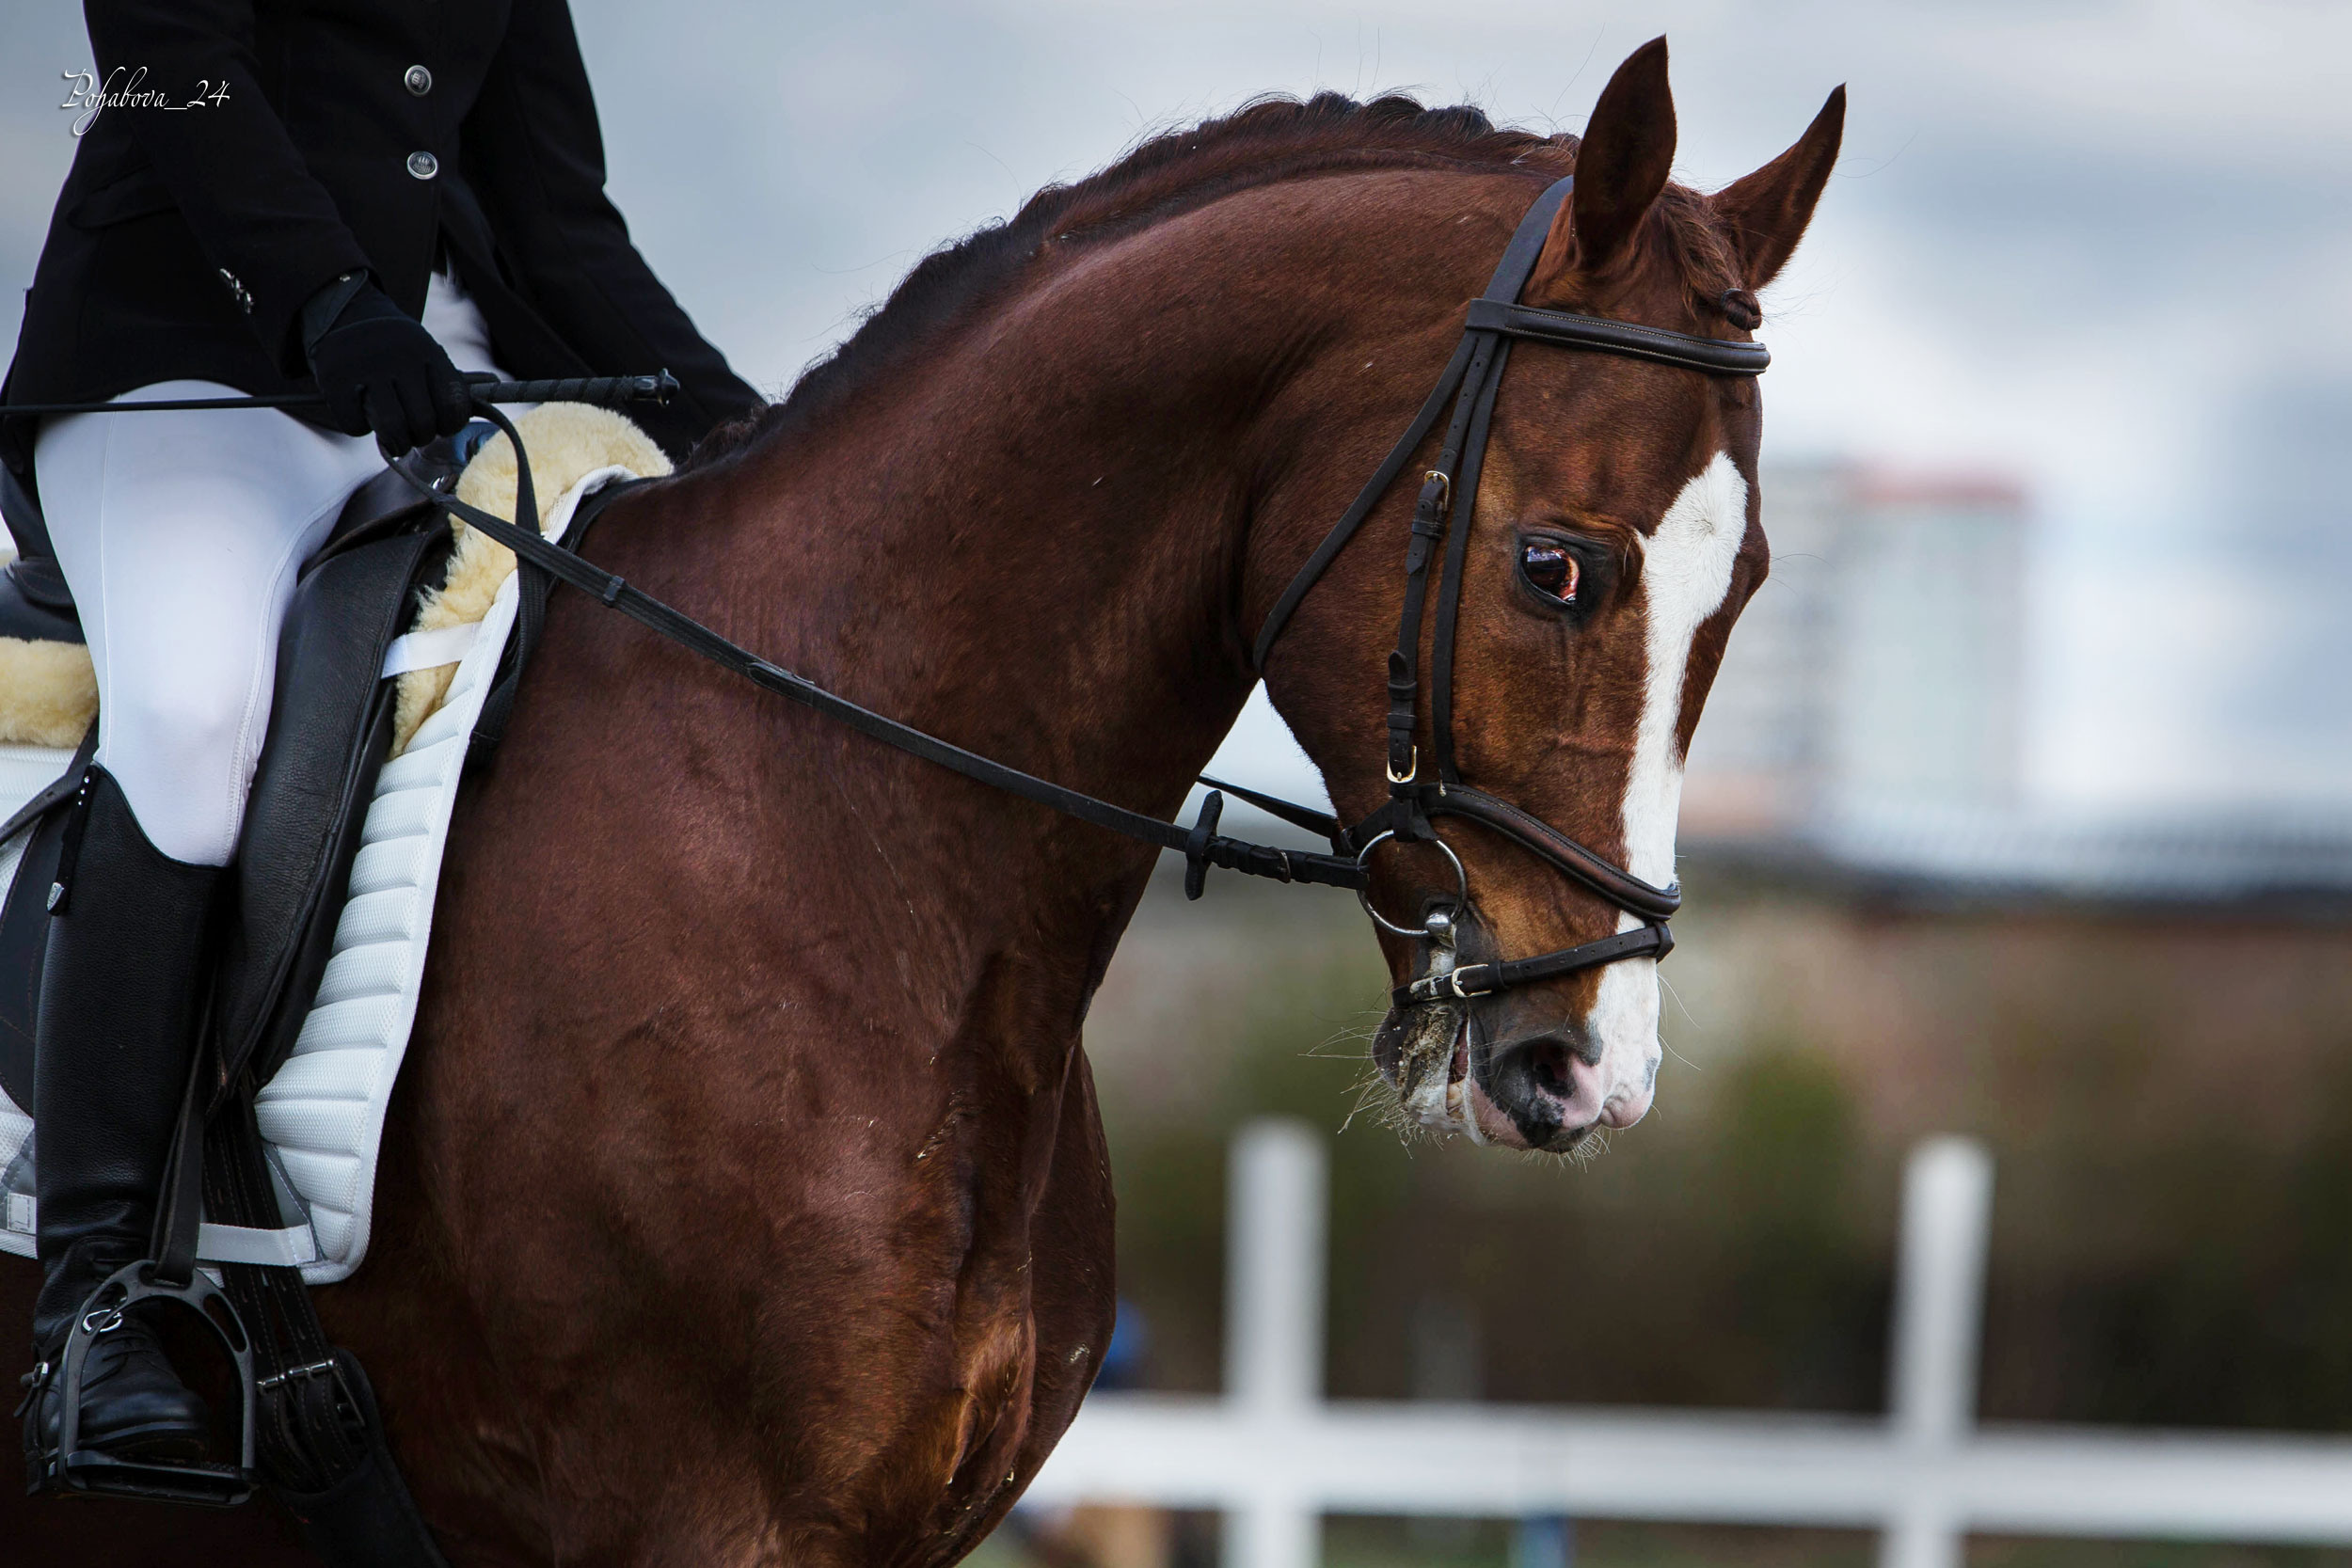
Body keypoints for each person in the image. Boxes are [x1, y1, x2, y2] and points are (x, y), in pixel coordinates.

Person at [1, 0, 760, 1471]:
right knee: (195, 713)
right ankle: (94, 1297)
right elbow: (166, 61)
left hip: (433, 407)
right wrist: (330, 298)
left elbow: (558, 223)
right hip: (194, 375)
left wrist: (764, 439)